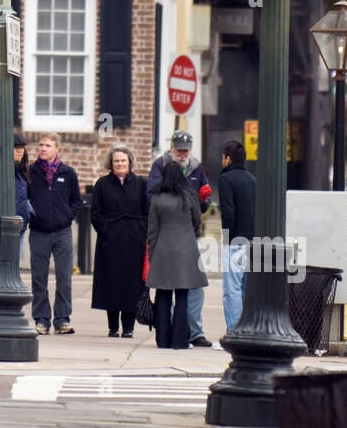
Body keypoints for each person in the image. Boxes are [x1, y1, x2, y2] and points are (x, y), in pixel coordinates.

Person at [147, 130, 212, 347]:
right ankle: (182, 337)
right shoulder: (161, 165)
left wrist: (153, 251)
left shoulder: (196, 167)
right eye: (179, 149)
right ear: (172, 148)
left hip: (164, 244)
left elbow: (153, 225)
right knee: (184, 292)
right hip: (186, 243)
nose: (183, 153)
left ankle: (169, 336)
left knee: (166, 293)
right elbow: (197, 218)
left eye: (186, 150)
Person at [26, 133, 82, 335]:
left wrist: (67, 216)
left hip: (62, 232)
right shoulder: (30, 172)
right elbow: (24, 199)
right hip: (39, 232)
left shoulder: (68, 173)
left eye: (48, 145)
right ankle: (41, 320)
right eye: (40, 145)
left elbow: (77, 200)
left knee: (64, 277)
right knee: (39, 278)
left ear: (57, 148)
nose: (43, 148)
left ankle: (62, 319)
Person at [90, 145, 149, 338]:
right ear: (111, 163)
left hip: (134, 241)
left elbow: (148, 212)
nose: (120, 164)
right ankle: (113, 326)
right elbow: (96, 214)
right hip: (111, 241)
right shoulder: (102, 184)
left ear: (130, 161)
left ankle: (129, 327)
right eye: (116, 161)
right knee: (111, 283)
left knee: (131, 284)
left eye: (123, 160)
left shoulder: (141, 184)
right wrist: (107, 231)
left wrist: (141, 232)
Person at [218, 139, 257, 331]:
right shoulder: (253, 180)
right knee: (246, 290)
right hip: (253, 241)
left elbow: (228, 212)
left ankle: (234, 331)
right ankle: (247, 329)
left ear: (227, 159)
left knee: (231, 290)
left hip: (235, 242)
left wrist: (227, 239)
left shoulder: (226, 179)